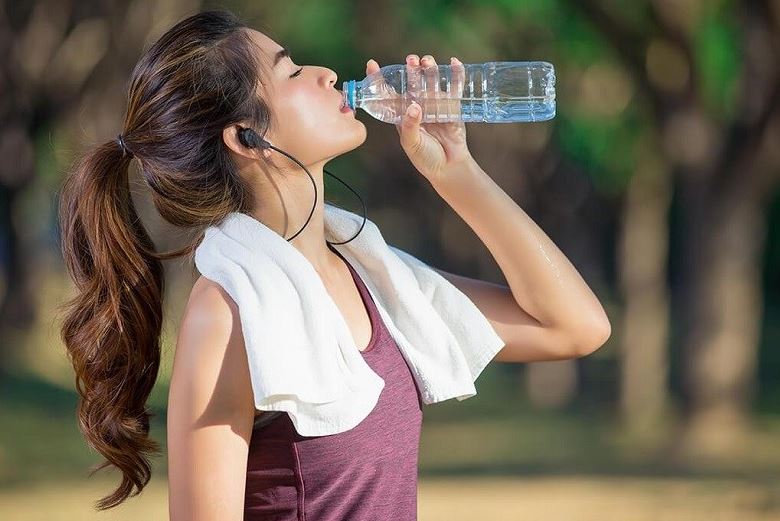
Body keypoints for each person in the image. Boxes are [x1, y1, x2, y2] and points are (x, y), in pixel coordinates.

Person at [57, 8, 611, 521]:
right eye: (292, 72)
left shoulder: (375, 277)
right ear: (247, 138)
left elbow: (575, 326)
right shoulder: (228, 313)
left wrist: (456, 171)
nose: (325, 73)